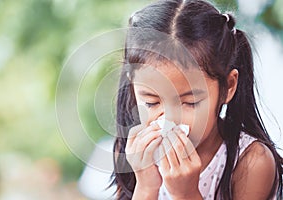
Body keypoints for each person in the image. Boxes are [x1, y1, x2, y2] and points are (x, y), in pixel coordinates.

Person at [111, 0, 283, 199]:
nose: (170, 118)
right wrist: (146, 186)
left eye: (189, 102)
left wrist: (186, 193)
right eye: (151, 102)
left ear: (228, 87)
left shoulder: (251, 161)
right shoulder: (133, 153)